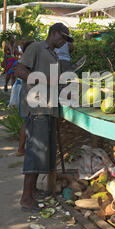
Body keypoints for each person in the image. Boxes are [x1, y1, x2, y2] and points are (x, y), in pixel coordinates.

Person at [14, 23, 72, 211]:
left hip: (48, 109)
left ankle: (32, 192)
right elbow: (20, 71)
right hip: (37, 108)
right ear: (53, 33)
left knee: (43, 156)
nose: (63, 42)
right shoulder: (36, 48)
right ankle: (25, 198)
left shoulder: (54, 55)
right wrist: (46, 80)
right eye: (62, 37)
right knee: (34, 154)